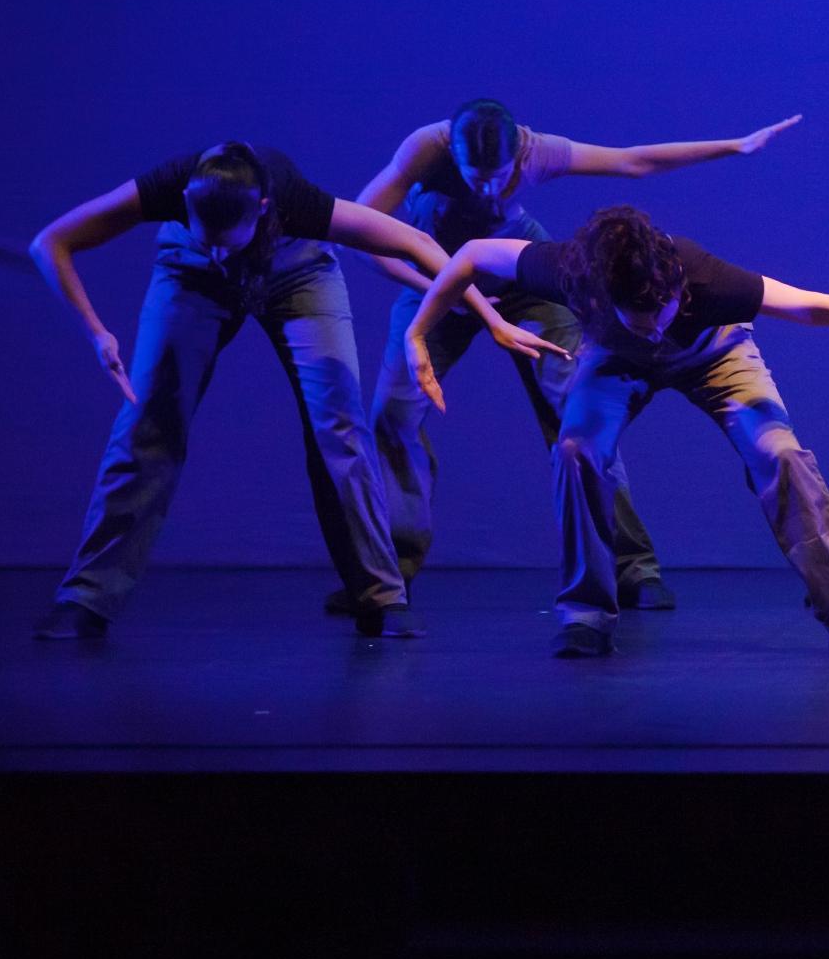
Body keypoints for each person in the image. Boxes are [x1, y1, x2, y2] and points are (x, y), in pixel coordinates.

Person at [405, 203, 829, 657]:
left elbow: (810, 305)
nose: (655, 328)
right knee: (576, 449)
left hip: (714, 354)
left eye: (660, 313)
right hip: (614, 359)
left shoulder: (703, 276)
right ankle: (586, 614)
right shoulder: (570, 267)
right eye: (640, 318)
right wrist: (418, 332)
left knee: (778, 451)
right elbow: (472, 255)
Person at [28, 141, 562, 641]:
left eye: (227, 245)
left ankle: (380, 596)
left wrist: (491, 317)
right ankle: (87, 595)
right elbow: (49, 242)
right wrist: (96, 331)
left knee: (338, 423)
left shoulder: (295, 201)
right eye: (207, 238)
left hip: (296, 273)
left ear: (263, 209)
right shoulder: (168, 187)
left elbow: (418, 243)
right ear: (187, 201)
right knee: (148, 418)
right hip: (189, 277)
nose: (222, 258)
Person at [334, 99, 801, 616]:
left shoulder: (536, 151)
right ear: (455, 157)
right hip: (436, 281)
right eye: (475, 178)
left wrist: (734, 146)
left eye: (500, 178)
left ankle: (632, 566)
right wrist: (442, 290)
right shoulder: (426, 148)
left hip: (520, 278)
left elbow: (633, 161)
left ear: (518, 157)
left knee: (576, 415)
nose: (488, 191)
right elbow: (361, 234)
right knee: (393, 414)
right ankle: (388, 573)